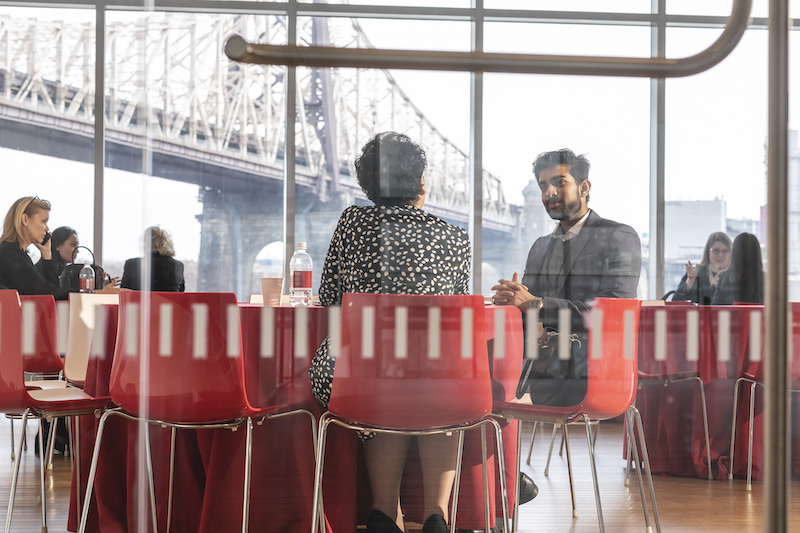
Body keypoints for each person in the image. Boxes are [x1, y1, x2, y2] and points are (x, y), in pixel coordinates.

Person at [309, 132, 470, 533]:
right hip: (435, 375)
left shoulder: (351, 222)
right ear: (420, 183)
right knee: (436, 384)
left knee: (379, 378)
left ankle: (383, 511)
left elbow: (330, 298)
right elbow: (454, 313)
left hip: (358, 376)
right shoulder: (455, 237)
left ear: (369, 186)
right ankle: (436, 515)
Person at [0, 196, 119, 299]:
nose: (47, 228)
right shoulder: (8, 253)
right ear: (25, 219)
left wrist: (46, 254)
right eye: (43, 221)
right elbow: (45, 292)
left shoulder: (20, 254)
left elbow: (51, 291)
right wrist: (95, 293)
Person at [121, 226, 185, 292]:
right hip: (168, 302)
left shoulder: (132, 264)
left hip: (139, 302)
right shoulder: (177, 266)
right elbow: (180, 294)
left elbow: (123, 295)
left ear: (146, 243)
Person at [674, 232, 731, 304]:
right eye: (716, 250)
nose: (720, 255)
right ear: (708, 252)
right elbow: (675, 302)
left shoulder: (734, 275)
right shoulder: (697, 271)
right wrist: (690, 281)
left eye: (725, 251)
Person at [711, 232, 764, 305]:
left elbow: (715, 308)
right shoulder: (766, 279)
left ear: (734, 253)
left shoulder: (725, 277)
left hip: (730, 316)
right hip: (758, 316)